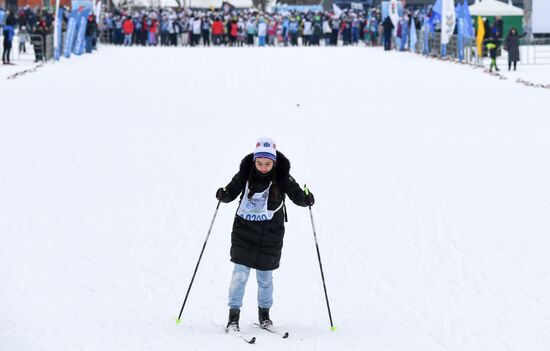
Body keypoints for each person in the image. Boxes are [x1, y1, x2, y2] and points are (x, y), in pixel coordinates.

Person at [215, 137, 315, 332]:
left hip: (271, 234)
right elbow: (232, 190)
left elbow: (296, 194)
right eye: (259, 163)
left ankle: (264, 316)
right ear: (254, 161)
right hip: (244, 231)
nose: (263, 167)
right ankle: (233, 316)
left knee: (265, 278)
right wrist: (223, 194)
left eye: (267, 163)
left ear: (274, 162)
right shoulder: (244, 174)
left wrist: (305, 199)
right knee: (240, 275)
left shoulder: (283, 176)